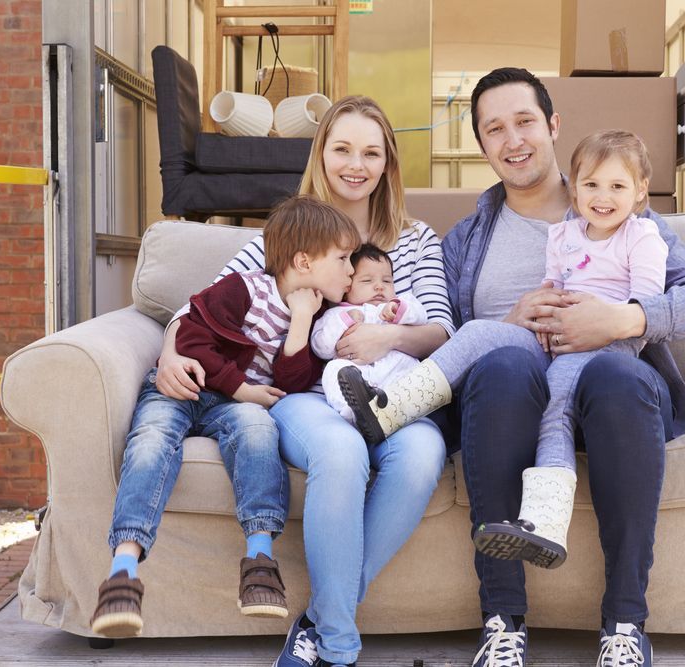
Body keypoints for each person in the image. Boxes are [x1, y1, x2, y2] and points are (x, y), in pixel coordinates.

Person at [414, 68, 685, 667]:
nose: (513, 140)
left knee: (615, 376)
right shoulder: (464, 241)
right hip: (511, 403)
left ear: (553, 125)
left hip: (614, 393)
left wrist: (623, 319)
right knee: (503, 366)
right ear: (481, 145)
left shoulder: (618, 208)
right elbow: (447, 337)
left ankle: (625, 624)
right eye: (495, 129)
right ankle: (503, 623)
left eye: (525, 121)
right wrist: (511, 320)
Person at [154, 96, 454, 667]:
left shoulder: (417, 239)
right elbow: (202, 306)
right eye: (342, 149)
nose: (356, 165)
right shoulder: (291, 233)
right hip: (307, 397)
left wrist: (388, 337)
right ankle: (339, 649)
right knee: (340, 452)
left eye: (371, 153)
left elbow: (443, 330)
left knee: (422, 456)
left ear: (388, 163)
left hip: (394, 395)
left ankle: (318, 620)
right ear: (321, 155)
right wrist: (171, 351)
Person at [339, 129, 667, 574]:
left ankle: (546, 521)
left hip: (604, 352)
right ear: (574, 186)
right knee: (477, 333)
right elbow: (555, 283)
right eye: (591, 184)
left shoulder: (642, 235)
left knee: (555, 410)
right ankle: (390, 409)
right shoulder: (564, 234)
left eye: (617, 186)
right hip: (549, 338)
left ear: (640, 191)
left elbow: (646, 306)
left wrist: (602, 325)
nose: (602, 197)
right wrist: (543, 312)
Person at [89, 195, 360, 638]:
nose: (351, 270)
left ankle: (259, 562)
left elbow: (292, 383)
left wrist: (300, 321)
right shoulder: (242, 288)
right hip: (182, 389)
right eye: (343, 259)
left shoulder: (320, 318)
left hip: (236, 409)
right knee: (152, 439)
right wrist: (241, 387)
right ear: (304, 261)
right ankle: (123, 572)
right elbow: (192, 339)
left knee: (258, 431)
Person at [312, 243, 429, 424]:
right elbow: (321, 348)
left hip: (394, 373)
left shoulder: (397, 305)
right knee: (333, 370)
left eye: (387, 281)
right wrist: (345, 321)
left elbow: (421, 317)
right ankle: (354, 412)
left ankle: (401, 409)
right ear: (347, 286)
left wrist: (398, 309)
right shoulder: (336, 315)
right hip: (358, 375)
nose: (379, 287)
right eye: (367, 281)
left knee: (413, 366)